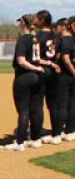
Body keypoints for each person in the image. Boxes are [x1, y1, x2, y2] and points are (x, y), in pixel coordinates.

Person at [5, 14, 44, 151]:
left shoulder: (23, 39)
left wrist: (34, 67)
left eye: (20, 22)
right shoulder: (36, 39)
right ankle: (35, 139)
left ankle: (20, 142)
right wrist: (38, 68)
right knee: (36, 109)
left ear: (23, 23)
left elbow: (21, 61)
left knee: (23, 111)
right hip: (37, 77)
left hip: (24, 77)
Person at [33, 10, 61, 145]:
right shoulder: (56, 35)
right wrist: (54, 63)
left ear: (42, 20)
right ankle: (56, 134)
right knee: (53, 104)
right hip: (55, 71)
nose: (34, 21)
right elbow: (59, 54)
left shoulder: (37, 36)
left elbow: (36, 58)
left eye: (36, 19)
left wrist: (47, 62)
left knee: (38, 105)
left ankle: (37, 134)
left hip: (42, 71)